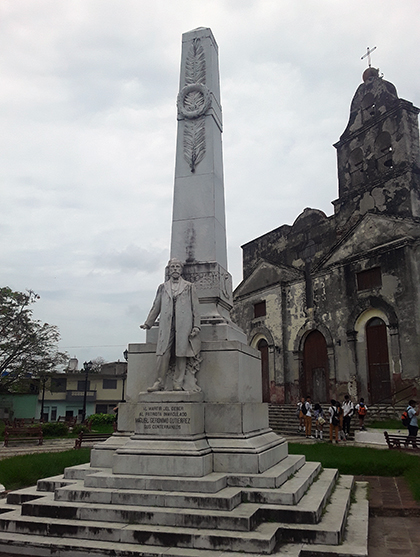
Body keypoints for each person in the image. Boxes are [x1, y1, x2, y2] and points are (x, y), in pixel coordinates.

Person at [140, 258, 201, 392]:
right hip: (166, 325)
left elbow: (195, 308)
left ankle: (178, 383)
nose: (175, 269)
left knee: (181, 353)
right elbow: (156, 306)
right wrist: (148, 323)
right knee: (163, 354)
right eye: (172, 267)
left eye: (177, 267)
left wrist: (196, 326)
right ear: (169, 270)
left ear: (181, 269)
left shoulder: (189, 286)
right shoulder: (162, 287)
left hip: (183, 325)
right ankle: (159, 382)